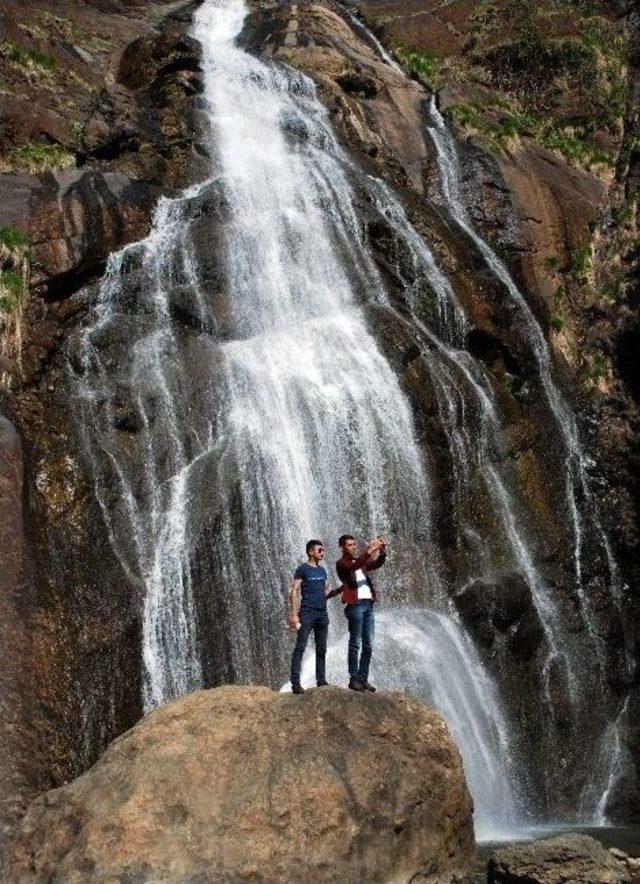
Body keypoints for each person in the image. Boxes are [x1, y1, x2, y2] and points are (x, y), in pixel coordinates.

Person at [289, 539, 340, 695]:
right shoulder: (302, 569)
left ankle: (321, 680)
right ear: (311, 552)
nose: (322, 553)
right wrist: (294, 614)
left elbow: (323, 594)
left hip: (322, 614)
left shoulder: (322, 571)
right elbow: (294, 590)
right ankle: (295, 683)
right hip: (307, 613)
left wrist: (337, 591)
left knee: (322, 648)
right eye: (320, 550)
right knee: (301, 646)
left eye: (323, 550)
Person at [336, 534, 387, 693]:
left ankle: (363, 678)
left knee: (368, 645)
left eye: (354, 544)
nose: (353, 547)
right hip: (355, 605)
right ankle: (353, 679)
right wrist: (371, 548)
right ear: (342, 547)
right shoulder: (342, 564)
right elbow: (354, 566)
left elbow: (376, 564)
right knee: (355, 642)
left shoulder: (361, 562)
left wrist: (382, 551)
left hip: (368, 605)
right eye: (349, 545)